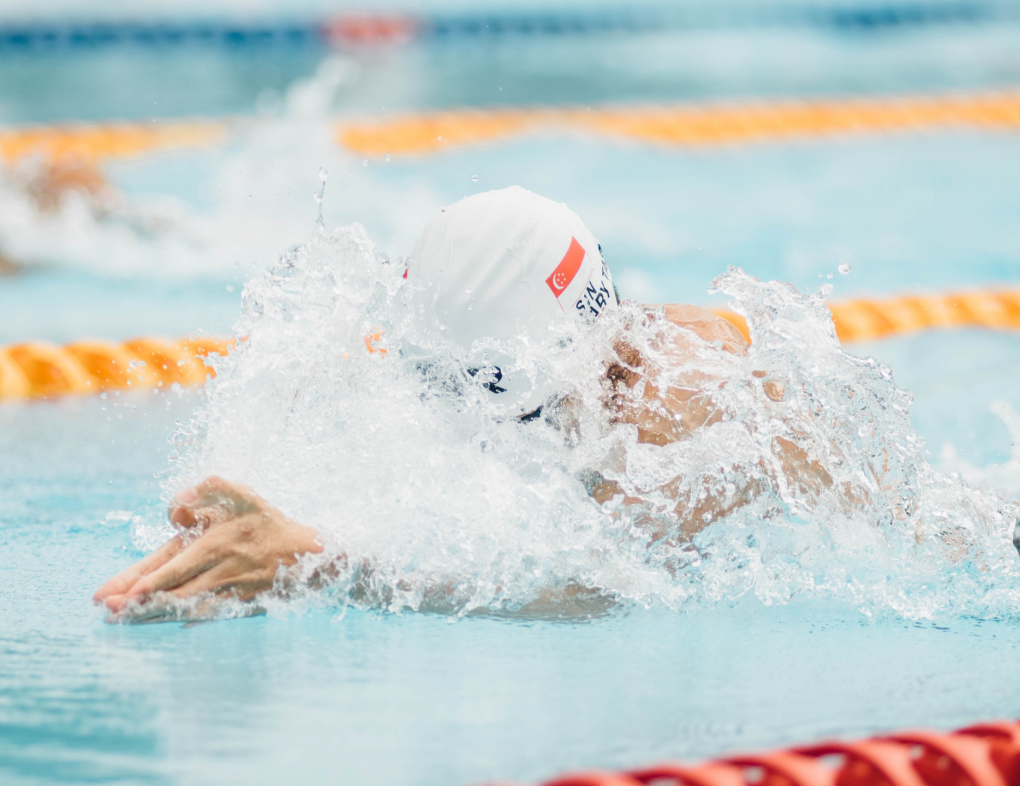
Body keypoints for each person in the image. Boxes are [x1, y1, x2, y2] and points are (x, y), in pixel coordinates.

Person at [94, 187, 837, 620]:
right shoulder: (531, 349)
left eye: (505, 404)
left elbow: (587, 592)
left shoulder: (686, 392)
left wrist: (322, 563)